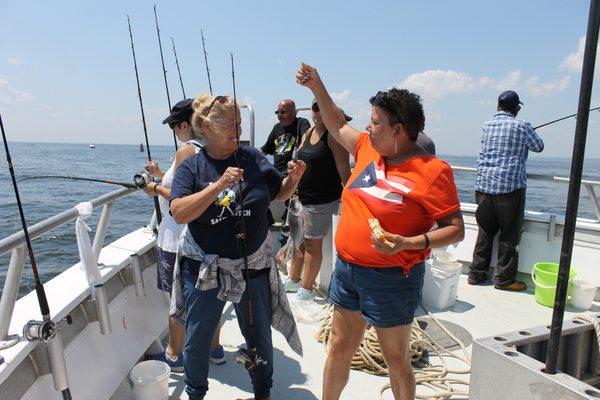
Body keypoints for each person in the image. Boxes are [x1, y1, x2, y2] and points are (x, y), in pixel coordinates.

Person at [296, 63, 465, 400]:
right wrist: (317, 86)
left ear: (398, 129)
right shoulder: (366, 147)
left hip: (392, 279)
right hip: (347, 271)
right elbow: (336, 123)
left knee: (396, 359)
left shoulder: (433, 172)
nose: (368, 128)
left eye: (375, 122)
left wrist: (409, 243)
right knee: (339, 347)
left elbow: (455, 229)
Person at [169, 94, 306, 400]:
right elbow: (178, 212)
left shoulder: (254, 157)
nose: (238, 129)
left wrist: (293, 178)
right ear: (205, 125)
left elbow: (280, 192)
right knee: (197, 338)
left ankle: (263, 391)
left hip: (252, 267)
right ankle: (195, 393)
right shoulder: (192, 167)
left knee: (259, 337)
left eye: (240, 122)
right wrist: (218, 186)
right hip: (205, 269)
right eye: (230, 123)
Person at [141, 99, 225, 371]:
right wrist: (161, 176)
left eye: (175, 125)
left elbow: (182, 197)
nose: (175, 131)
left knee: (178, 301)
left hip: (179, 238)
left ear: (187, 124)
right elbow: (192, 185)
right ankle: (215, 349)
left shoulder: (186, 151)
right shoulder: (216, 148)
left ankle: (175, 356)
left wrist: (154, 187)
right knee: (213, 297)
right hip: (210, 238)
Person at [468, 90, 544, 291]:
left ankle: (476, 274)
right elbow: (539, 146)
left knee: (485, 232)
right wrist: (529, 132)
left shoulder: (487, 125)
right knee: (509, 234)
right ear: (516, 108)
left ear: (498, 106)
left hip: (484, 187)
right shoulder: (522, 125)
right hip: (509, 190)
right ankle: (504, 280)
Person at [283, 99, 351, 301]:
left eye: (322, 108)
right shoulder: (307, 132)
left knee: (312, 244)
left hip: (322, 200)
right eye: (315, 108)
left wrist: (352, 198)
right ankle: (294, 279)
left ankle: (307, 288)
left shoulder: (334, 137)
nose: (317, 112)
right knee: (297, 242)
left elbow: (344, 171)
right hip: (301, 198)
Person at [260, 99, 311, 175]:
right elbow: (265, 150)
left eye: (283, 112)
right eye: (277, 112)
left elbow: (305, 140)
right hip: (277, 172)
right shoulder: (276, 127)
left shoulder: (302, 123)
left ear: (294, 112)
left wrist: (297, 154)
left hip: (293, 171)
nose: (279, 114)